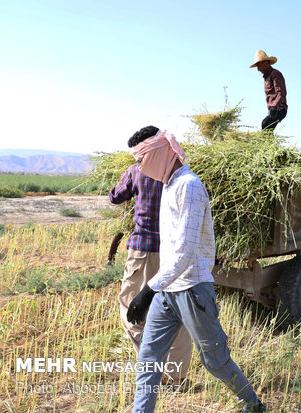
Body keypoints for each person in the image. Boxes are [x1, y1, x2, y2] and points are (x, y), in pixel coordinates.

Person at [125, 128, 265, 413]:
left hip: (192, 291)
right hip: (168, 292)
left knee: (215, 360)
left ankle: (253, 404)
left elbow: (186, 254)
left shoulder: (188, 185)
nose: (139, 166)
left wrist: (148, 290)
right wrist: (157, 288)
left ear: (159, 153)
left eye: (141, 159)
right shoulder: (169, 184)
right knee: (149, 360)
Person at [109, 125, 191, 386]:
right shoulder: (179, 174)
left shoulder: (136, 171)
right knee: (176, 315)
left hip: (143, 250)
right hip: (173, 253)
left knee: (131, 309)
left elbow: (115, 197)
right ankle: (177, 377)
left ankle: (149, 366)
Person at [250, 49, 288, 131]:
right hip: (273, 110)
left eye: (259, 66)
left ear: (265, 63)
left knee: (265, 124)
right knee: (268, 129)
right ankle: (269, 143)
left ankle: (266, 143)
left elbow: (281, 93)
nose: (258, 69)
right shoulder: (266, 77)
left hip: (279, 108)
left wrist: (274, 106)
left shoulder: (275, 74)